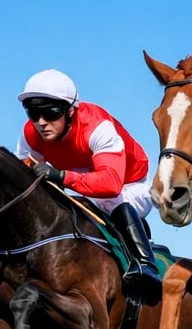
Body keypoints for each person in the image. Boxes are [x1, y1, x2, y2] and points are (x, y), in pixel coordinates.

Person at [16, 69, 162, 304]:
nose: (41, 122)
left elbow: (110, 184)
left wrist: (62, 177)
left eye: (50, 113)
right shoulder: (31, 133)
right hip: (83, 181)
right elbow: (24, 177)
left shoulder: (97, 126)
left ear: (70, 111)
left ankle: (147, 267)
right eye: (33, 113)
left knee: (110, 200)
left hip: (130, 183)